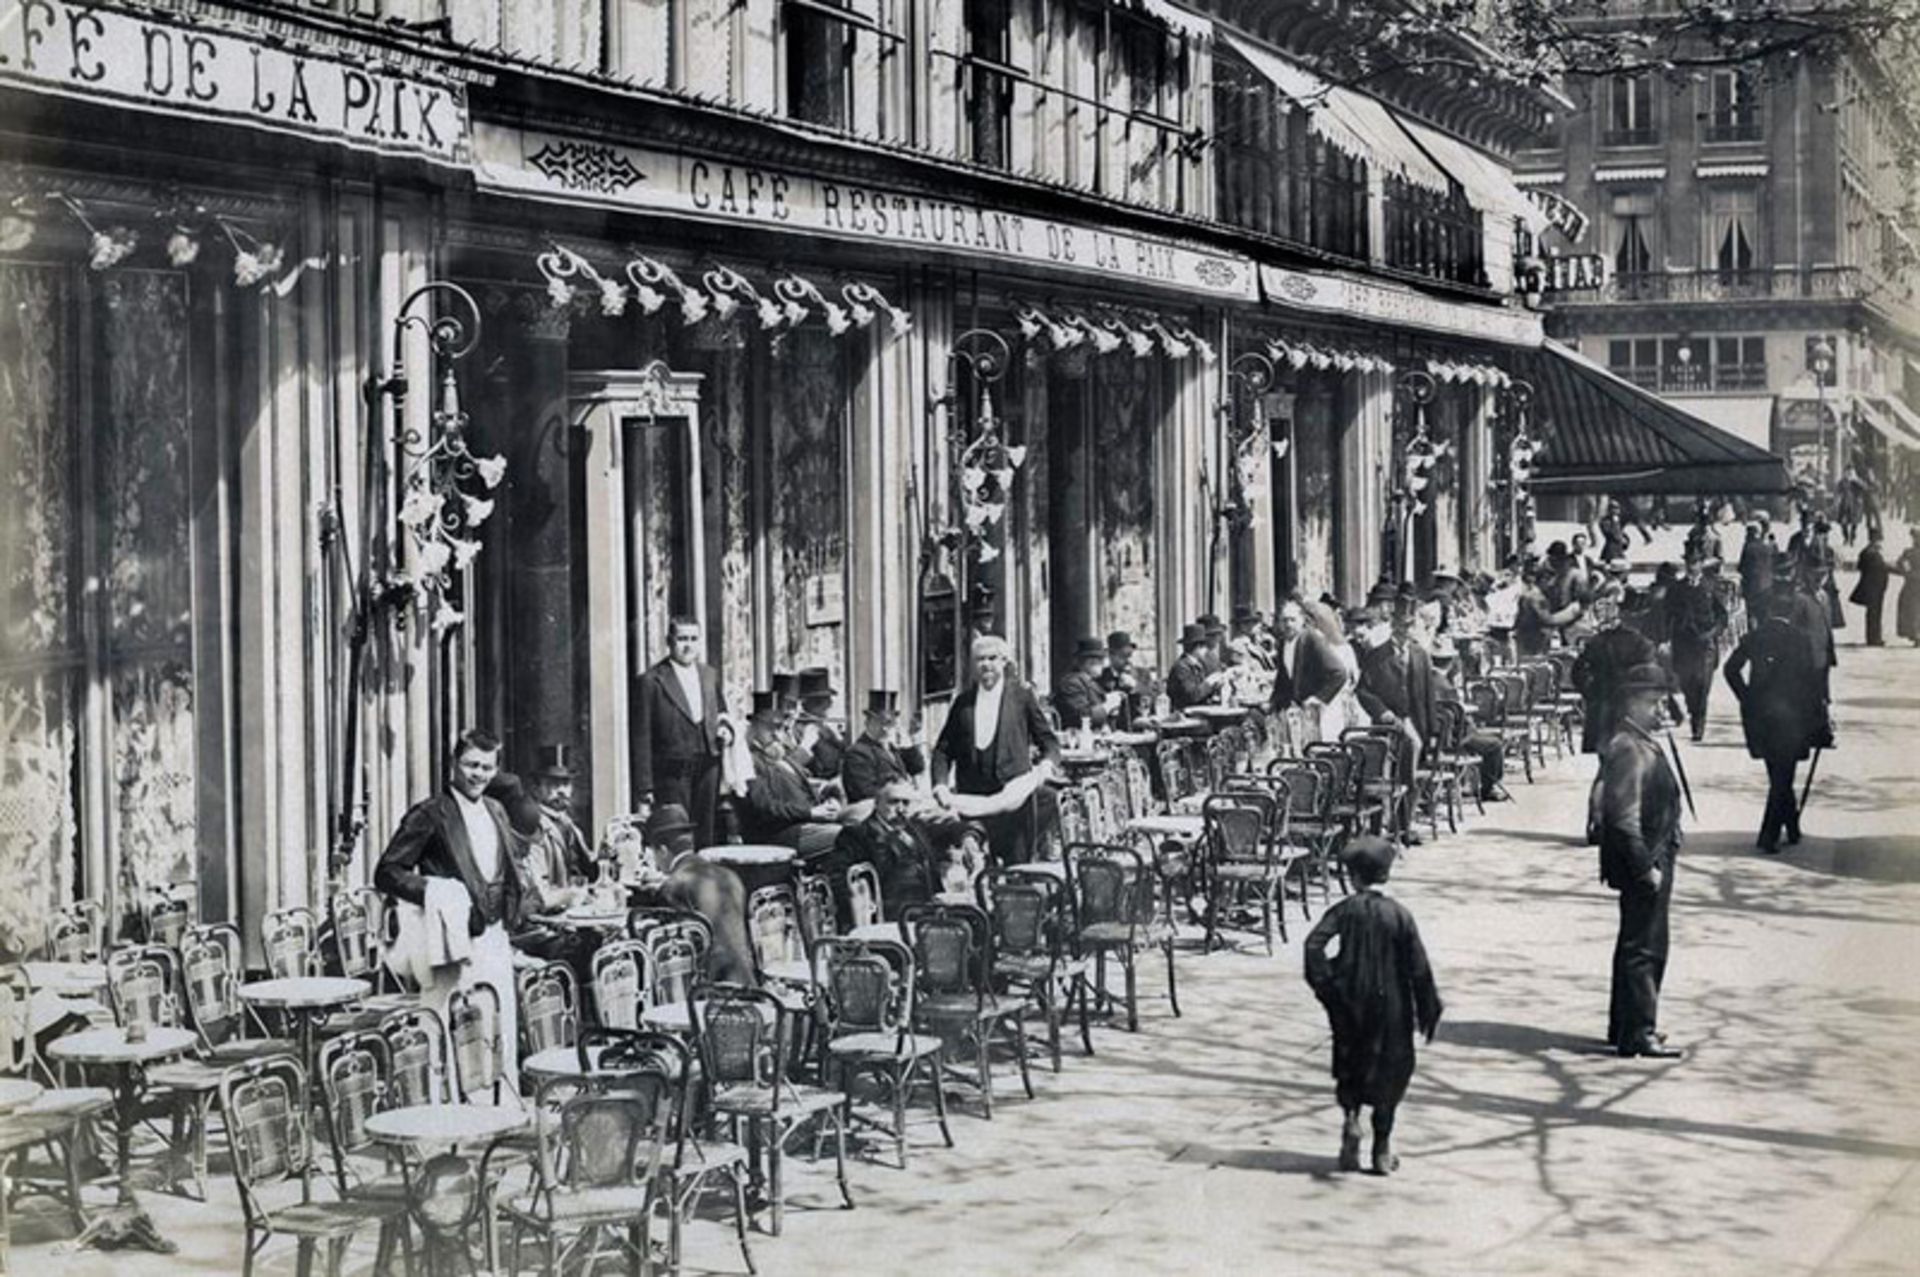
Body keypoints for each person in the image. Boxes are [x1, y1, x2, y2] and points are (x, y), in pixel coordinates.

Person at [375, 728, 525, 1074]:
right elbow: (387, 872)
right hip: (451, 939)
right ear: (453, 764)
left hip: (493, 937)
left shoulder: (496, 810)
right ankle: (446, 1113)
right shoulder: (430, 813)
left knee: (494, 1026)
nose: (479, 775)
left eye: (487, 768)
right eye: (471, 765)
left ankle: (495, 1109)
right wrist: (433, 889)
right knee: (448, 1027)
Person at [1302, 836, 1442, 1176]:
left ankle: (1351, 1120)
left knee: (1350, 1063)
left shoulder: (1344, 911)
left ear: (1353, 877)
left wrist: (1327, 985)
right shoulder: (1399, 915)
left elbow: (1313, 945)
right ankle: (1381, 1147)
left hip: (1350, 1002)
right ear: (1385, 874)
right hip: (1391, 1007)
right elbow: (1419, 967)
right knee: (1391, 1073)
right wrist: (1428, 1010)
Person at [1596, 664, 1685, 1059]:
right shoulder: (1629, 749)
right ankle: (1639, 1031)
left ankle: (1624, 1025)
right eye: (1653, 702)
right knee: (1645, 947)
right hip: (1645, 858)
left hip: (1653, 852)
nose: (1660, 709)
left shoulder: (1638, 739)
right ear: (1631, 703)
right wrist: (1643, 868)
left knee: (1635, 941)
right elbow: (1622, 817)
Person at [932, 635, 1060, 865]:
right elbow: (943, 750)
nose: (986, 665)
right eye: (980, 659)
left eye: (992, 658)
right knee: (978, 868)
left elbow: (1048, 741)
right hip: (973, 802)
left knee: (1017, 868)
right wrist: (940, 785)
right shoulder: (963, 703)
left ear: (1004, 661)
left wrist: (1046, 765)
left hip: (1014, 801)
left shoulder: (1022, 698)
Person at [1724, 589, 1824, 853]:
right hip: (1792, 717)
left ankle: (1791, 828)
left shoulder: (1754, 637)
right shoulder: (1800, 640)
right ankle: (1768, 836)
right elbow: (1813, 682)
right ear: (1791, 612)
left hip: (1761, 716)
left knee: (1778, 772)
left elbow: (1730, 670)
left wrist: (1746, 697)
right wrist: (1818, 716)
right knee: (1783, 776)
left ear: (1767, 612)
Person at [634, 616, 728, 849]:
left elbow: (721, 710)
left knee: (706, 827)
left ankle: (703, 877)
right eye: (682, 639)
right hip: (673, 769)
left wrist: (726, 730)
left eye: (694, 639)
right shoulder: (652, 680)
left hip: (708, 764)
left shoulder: (709, 674)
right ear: (669, 641)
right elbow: (642, 735)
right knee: (678, 829)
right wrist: (645, 786)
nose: (688, 645)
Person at [1355, 603, 1435, 843]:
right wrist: (1382, 712)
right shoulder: (1377, 655)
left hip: (1414, 718)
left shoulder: (1420, 654)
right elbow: (1363, 691)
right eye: (1401, 624)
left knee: (1410, 770)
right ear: (1393, 624)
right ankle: (1382, 827)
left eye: (1410, 625)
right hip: (1388, 721)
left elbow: (1429, 695)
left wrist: (1432, 730)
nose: (1405, 629)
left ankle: (1403, 825)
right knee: (1385, 773)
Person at [739, 692, 843, 855]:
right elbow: (764, 808)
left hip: (807, 824)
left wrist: (828, 801)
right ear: (754, 727)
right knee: (850, 836)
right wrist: (810, 813)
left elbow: (803, 791)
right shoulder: (749, 761)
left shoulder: (785, 759)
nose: (777, 735)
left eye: (781, 728)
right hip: (779, 834)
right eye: (769, 727)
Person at [1571, 599, 1658, 755]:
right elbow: (1650, 671)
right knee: (1632, 750)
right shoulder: (1639, 640)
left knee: (1605, 752)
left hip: (1603, 702)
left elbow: (1578, 672)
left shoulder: (1595, 642)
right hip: (1630, 704)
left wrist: (1590, 692)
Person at [1664, 557, 1728, 742]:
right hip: (1683, 644)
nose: (1692, 566)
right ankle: (1693, 711)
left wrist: (1713, 633)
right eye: (1689, 563)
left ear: (1700, 565)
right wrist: (1667, 637)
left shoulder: (1711, 586)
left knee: (1702, 684)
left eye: (1695, 563)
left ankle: (1698, 725)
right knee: (1687, 683)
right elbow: (1667, 614)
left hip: (1705, 644)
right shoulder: (1676, 588)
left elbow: (1722, 616)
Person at [525, 745, 594, 892]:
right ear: (536, 788)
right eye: (553, 784)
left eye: (566, 784)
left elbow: (587, 871)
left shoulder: (570, 825)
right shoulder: (532, 825)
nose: (562, 791)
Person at [841, 690, 927, 805]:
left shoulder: (893, 749)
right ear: (867, 722)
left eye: (889, 723)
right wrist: (901, 792)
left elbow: (918, 767)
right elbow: (863, 792)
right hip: (873, 813)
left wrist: (908, 743)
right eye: (880, 722)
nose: (885, 728)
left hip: (901, 808)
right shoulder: (857, 752)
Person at [1271, 597, 1347, 718]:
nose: (1288, 625)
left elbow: (1339, 673)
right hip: (1298, 712)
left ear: (1302, 620)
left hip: (1320, 712)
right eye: (1284, 620)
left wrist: (1319, 698)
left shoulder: (1312, 639)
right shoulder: (1283, 644)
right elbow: (1283, 679)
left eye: (1292, 620)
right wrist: (1273, 702)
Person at [794, 667, 846, 782]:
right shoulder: (801, 730)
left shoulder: (827, 727)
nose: (830, 705)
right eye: (825, 701)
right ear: (810, 704)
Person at [1055, 637, 1114, 733]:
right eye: (1099, 661)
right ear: (1088, 662)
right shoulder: (1071, 683)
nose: (1103, 665)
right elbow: (1082, 716)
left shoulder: (1091, 682)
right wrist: (1107, 706)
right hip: (1078, 739)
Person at [1096, 631, 1151, 729]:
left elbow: (1155, 699)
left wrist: (1135, 685)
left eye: (1129, 655)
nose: (1127, 660)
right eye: (1122, 656)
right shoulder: (1100, 678)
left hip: (1140, 731)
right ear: (1110, 655)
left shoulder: (1142, 674)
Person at [1165, 623, 1226, 711]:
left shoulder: (1197, 664)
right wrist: (1209, 682)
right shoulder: (1181, 667)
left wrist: (1215, 686)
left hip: (1198, 710)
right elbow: (1192, 696)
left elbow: (1202, 693)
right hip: (1184, 714)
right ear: (1197, 647)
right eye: (1204, 647)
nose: (1206, 651)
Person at [1851, 534, 1892, 647]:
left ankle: (1874, 637)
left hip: (1875, 588)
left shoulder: (1867, 552)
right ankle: (1874, 639)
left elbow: (1860, 566)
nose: (1880, 544)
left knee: (1874, 613)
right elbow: (1878, 569)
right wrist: (1889, 567)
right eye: (1879, 541)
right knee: (1874, 613)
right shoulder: (1870, 553)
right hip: (1873, 588)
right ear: (1874, 541)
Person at [1896, 528, 1920, 646]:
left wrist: (1909, 573)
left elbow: (1901, 564)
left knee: (1912, 609)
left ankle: (1915, 634)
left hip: (1912, 584)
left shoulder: (1908, 553)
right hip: (1914, 583)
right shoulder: (1908, 552)